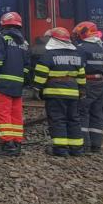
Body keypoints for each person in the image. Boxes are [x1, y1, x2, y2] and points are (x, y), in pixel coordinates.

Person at [32, 27, 86, 157]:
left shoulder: (49, 55)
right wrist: (82, 90)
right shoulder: (76, 55)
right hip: (73, 92)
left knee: (58, 120)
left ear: (53, 40)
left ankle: (61, 149)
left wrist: (37, 88)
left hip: (55, 92)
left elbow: (41, 73)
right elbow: (81, 75)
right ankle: (76, 149)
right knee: (73, 119)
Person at [0, 12, 30, 156]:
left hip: (3, 82)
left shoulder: (1, 38)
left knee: (3, 114)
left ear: (4, 24)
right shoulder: (24, 42)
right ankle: (17, 143)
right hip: (18, 84)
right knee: (16, 114)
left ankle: (7, 144)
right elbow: (27, 65)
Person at [73, 21, 103, 152]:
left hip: (88, 84)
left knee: (82, 113)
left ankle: (85, 144)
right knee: (97, 114)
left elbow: (79, 67)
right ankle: (96, 145)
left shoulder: (82, 48)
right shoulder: (102, 47)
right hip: (101, 84)